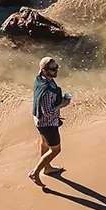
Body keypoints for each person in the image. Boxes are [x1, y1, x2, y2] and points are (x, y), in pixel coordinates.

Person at [29, 56, 71, 186]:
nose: (56, 70)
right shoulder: (47, 91)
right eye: (53, 69)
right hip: (47, 124)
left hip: (38, 119)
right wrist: (62, 104)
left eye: (56, 67)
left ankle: (47, 168)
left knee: (45, 145)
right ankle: (35, 173)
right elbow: (49, 112)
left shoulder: (40, 79)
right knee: (55, 150)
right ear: (44, 70)